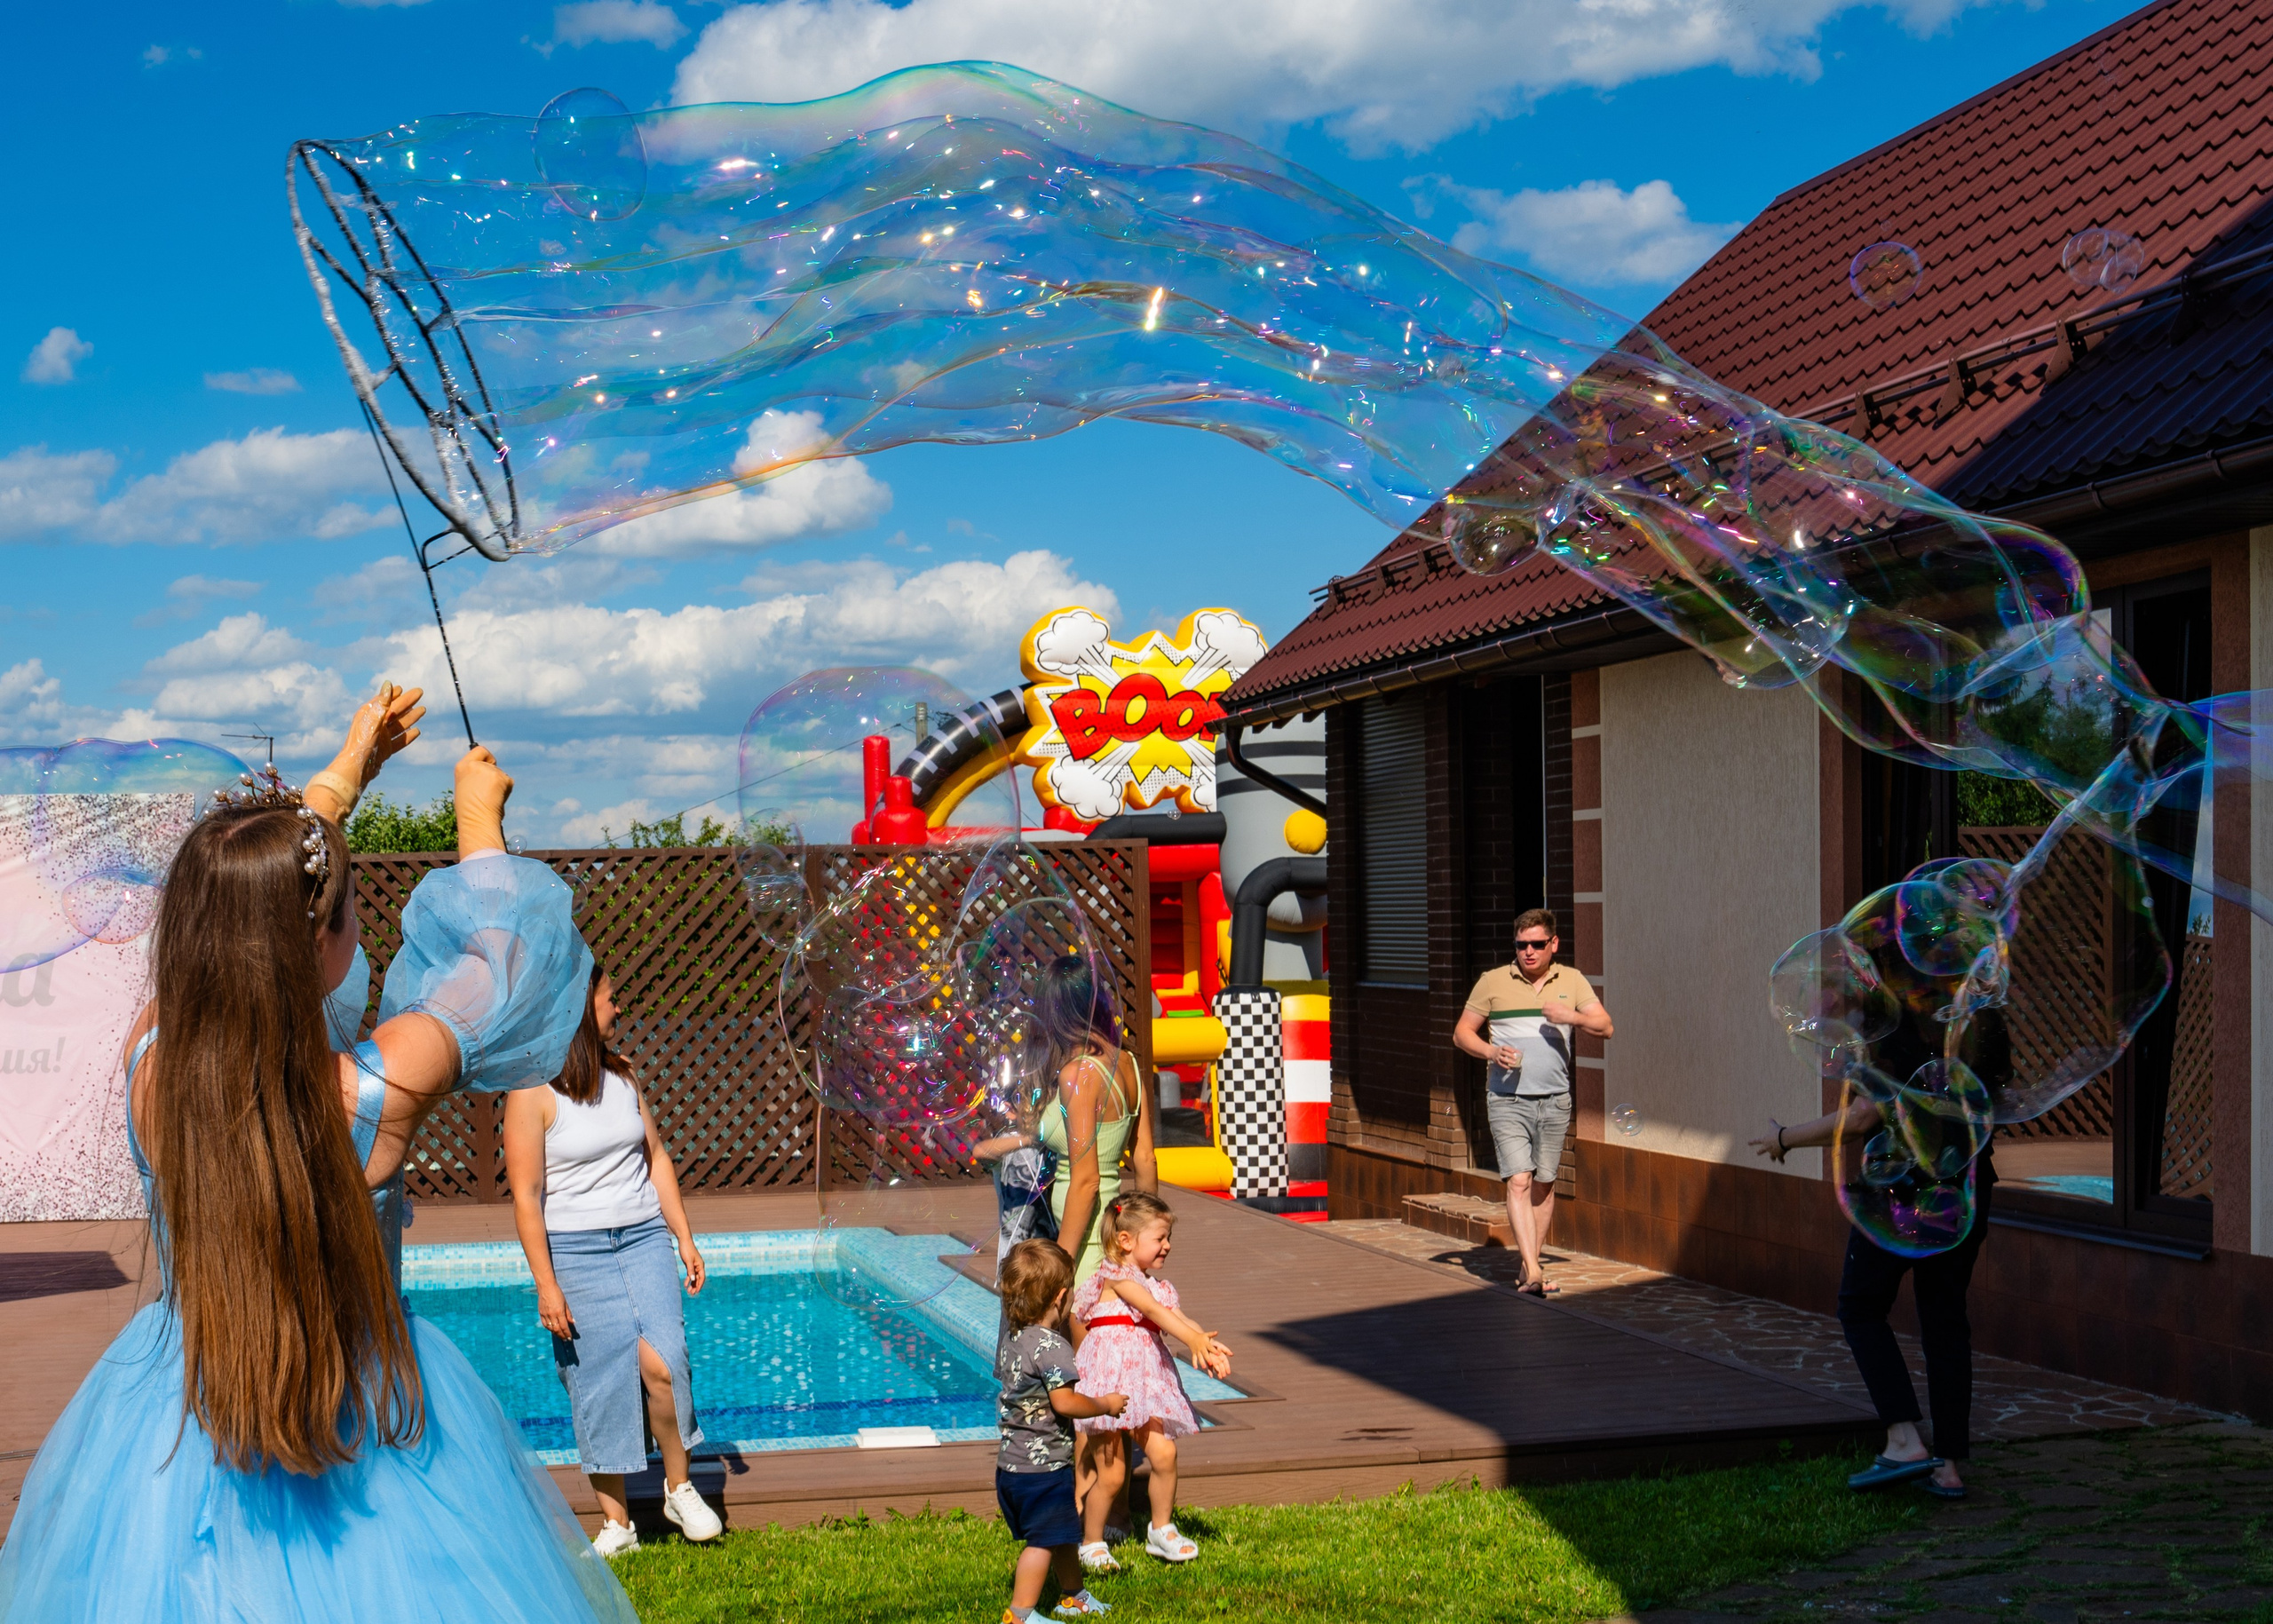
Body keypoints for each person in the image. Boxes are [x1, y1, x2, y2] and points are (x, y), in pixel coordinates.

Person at [0, 691, 640, 1622]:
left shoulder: (154, 1061)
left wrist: (341, 777)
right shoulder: (373, 1090)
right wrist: (477, 815)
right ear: (325, 942)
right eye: (344, 917)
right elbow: (509, 964)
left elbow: (250, 912)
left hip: (183, 1408)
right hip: (366, 1418)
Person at [503, 963, 722, 1557]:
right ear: (579, 1007)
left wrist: (684, 1236)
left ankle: (680, 1489)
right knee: (596, 1382)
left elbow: (656, 1155)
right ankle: (618, 1524)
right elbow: (526, 1195)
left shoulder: (623, 1075)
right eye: (609, 998)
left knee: (665, 1360)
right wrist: (546, 1284)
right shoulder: (531, 1091)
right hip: (574, 1250)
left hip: (643, 1235)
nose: (617, 1009)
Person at [1748, 1013, 2004, 1501]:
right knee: (1946, 1321)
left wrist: (1784, 1137)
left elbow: (1865, 1116)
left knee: (1861, 1306)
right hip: (1965, 1186)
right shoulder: (1979, 1019)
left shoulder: (1898, 1024)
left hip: (1901, 1189)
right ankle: (1948, 1467)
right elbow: (1995, 1098)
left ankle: (1904, 1440)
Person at [1453, 908, 1613, 1295]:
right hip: (1507, 1099)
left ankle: (1530, 1266)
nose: (1528, 952)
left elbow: (1606, 1027)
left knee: (1543, 1184)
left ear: (1553, 944)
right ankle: (1535, 1271)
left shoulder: (1571, 981)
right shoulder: (1492, 981)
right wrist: (1492, 1053)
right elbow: (1461, 1034)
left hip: (1555, 1100)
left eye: (1537, 944)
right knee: (1520, 1181)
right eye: (1521, 944)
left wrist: (1570, 1016)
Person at [1071, 1192, 1232, 1570]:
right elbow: (1152, 1311)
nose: (1167, 1245)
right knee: (1110, 1474)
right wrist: (1188, 1339)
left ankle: (1162, 1530)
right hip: (1110, 1383)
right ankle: (1091, 1541)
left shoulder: (1157, 1285)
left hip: (1146, 1383)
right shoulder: (1114, 1277)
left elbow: (1177, 1315)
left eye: (1168, 1237)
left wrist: (1204, 1343)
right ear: (1125, 1241)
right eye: (1159, 1238)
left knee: (1165, 1453)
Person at [994, 1240, 1128, 1624]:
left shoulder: (1013, 1341)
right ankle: (1020, 1615)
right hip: (1043, 1471)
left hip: (1012, 1468)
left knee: (1062, 1530)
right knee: (1042, 1543)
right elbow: (1065, 1403)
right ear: (1062, 1296)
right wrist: (1105, 1404)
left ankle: (1073, 1596)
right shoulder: (1053, 1346)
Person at [1036, 955, 1156, 1285]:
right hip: (1114, 1236)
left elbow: (1087, 1182)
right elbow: (1145, 1157)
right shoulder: (1127, 1062)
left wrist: (1062, 1266)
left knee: (1084, 1334)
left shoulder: (1078, 1076)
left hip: (1085, 1246)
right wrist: (1143, 1238)